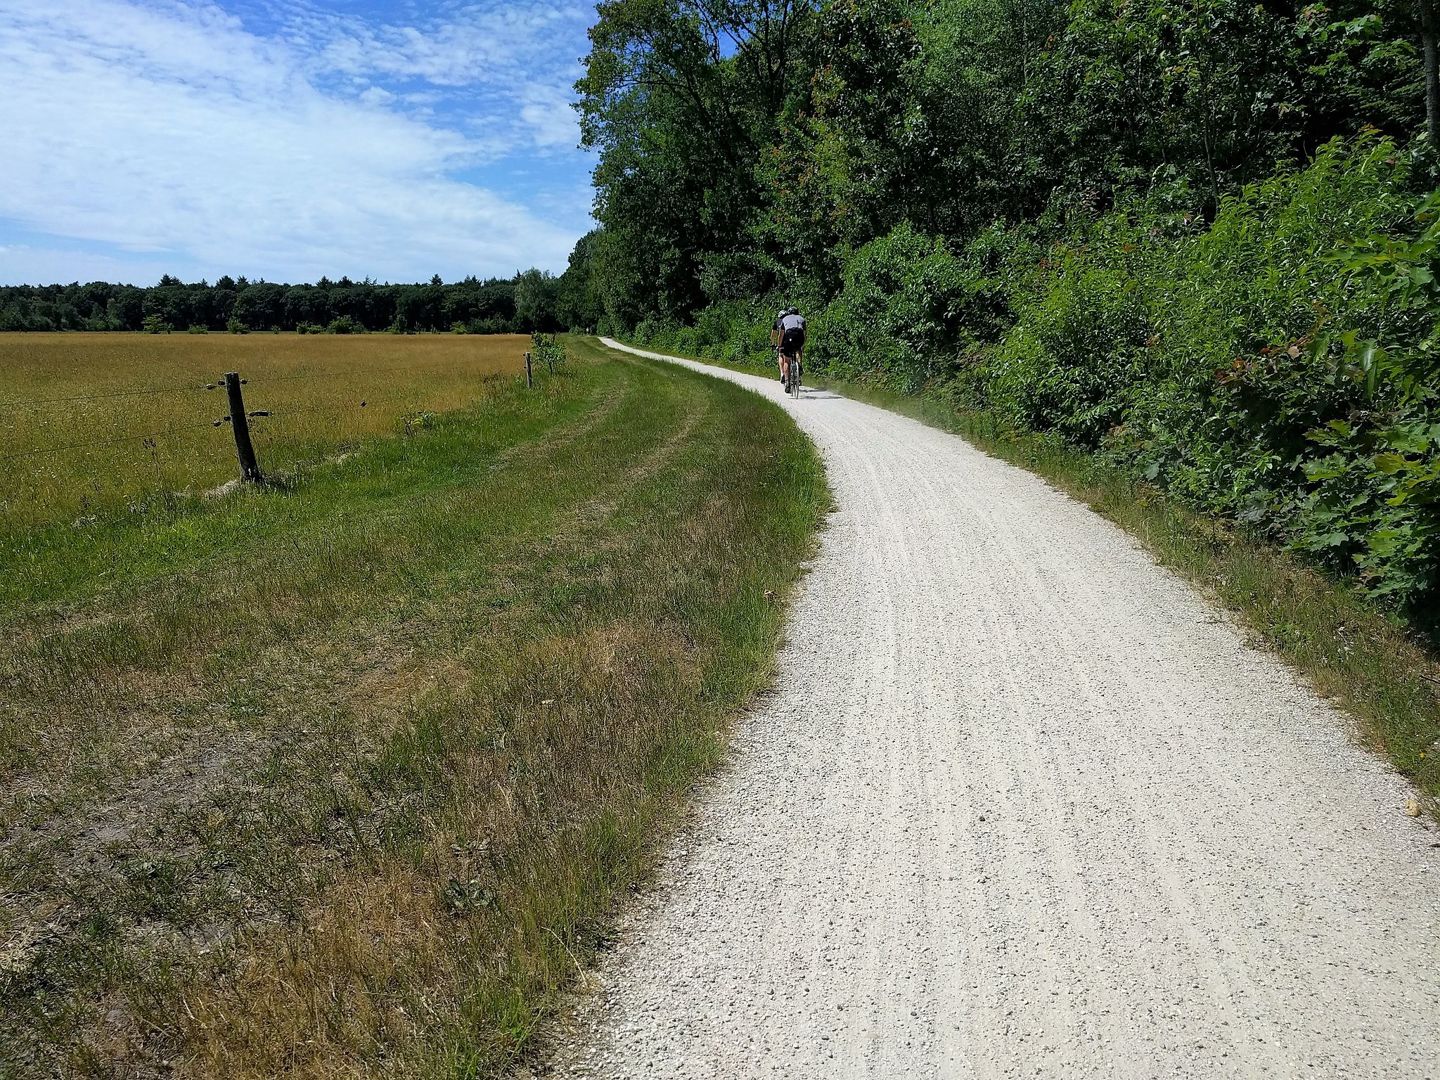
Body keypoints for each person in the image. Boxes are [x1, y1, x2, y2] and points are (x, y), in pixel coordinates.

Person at [776, 307, 805, 386]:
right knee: (798, 350)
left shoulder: (785, 319)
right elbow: (805, 334)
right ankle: (799, 365)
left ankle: (787, 382)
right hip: (799, 335)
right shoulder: (802, 318)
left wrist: (779, 345)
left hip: (789, 335)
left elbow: (781, 335)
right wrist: (803, 345)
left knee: (787, 361)